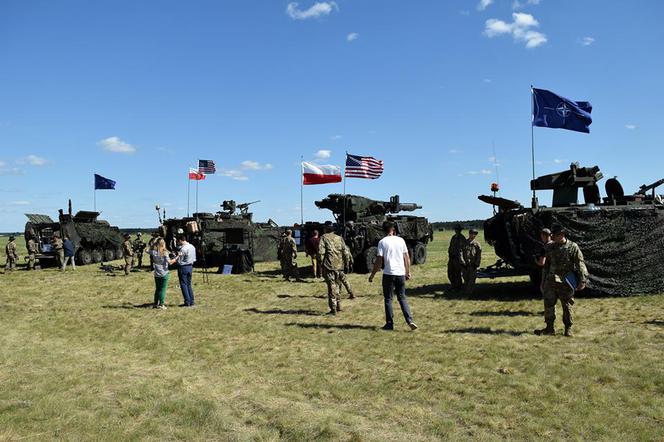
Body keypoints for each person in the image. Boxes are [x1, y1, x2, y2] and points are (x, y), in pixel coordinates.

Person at [536, 225, 588, 337]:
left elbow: (580, 263)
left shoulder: (573, 247)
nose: (552, 237)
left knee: (567, 305)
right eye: (552, 236)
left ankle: (568, 329)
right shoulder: (550, 247)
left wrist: (583, 279)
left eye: (554, 236)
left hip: (566, 282)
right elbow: (546, 266)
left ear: (562, 235)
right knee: (548, 305)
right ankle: (549, 329)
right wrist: (543, 281)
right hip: (551, 281)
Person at [369, 221, 418, 331]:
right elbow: (407, 257)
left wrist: (372, 275)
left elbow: (379, 260)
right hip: (400, 273)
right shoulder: (401, 240)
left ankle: (389, 324)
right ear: (393, 229)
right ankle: (409, 320)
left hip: (388, 274)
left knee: (388, 299)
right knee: (402, 297)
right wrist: (407, 271)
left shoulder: (382, 242)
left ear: (383, 230)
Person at [318, 221, 352, 315]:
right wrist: (347, 263)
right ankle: (339, 305)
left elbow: (321, 252)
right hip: (339, 266)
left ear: (326, 228)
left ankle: (333, 309)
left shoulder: (324, 238)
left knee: (331, 288)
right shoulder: (339, 238)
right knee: (338, 286)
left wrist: (320, 264)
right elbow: (345, 252)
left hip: (329, 266)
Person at [150, 238, 172, 309]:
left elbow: (146, 250)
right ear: (163, 244)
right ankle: (161, 304)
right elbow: (170, 262)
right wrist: (178, 257)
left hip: (156, 273)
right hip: (164, 273)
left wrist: (153, 244)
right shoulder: (165, 252)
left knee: (157, 289)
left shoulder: (154, 252)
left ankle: (155, 303)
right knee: (163, 289)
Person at [175, 234, 196, 307]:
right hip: (190, 266)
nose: (178, 243)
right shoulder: (192, 247)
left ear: (180, 240)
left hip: (183, 267)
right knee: (189, 284)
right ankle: (192, 301)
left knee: (183, 285)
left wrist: (175, 258)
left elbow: (179, 260)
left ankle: (187, 302)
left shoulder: (183, 249)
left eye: (178, 242)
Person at [462, 229, 482, 294]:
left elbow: (479, 255)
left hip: (473, 265)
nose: (474, 235)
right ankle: (466, 291)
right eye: (472, 233)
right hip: (465, 265)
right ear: (469, 234)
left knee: (472, 279)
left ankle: (469, 293)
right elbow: (460, 253)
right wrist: (463, 263)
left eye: (475, 234)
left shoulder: (477, 244)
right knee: (466, 279)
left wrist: (476, 264)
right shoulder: (464, 243)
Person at [447, 225, 466, 291]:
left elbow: (462, 249)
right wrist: (449, 253)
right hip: (451, 258)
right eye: (456, 229)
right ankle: (453, 285)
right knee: (450, 272)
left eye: (458, 229)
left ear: (460, 230)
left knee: (457, 273)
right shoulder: (453, 237)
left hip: (457, 259)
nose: (457, 230)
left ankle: (458, 287)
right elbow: (450, 246)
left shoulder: (462, 238)